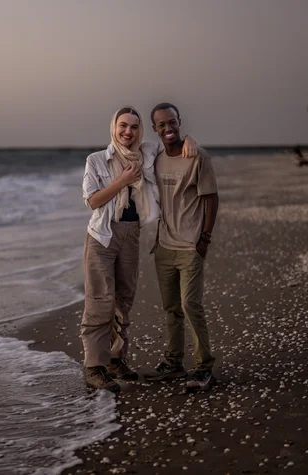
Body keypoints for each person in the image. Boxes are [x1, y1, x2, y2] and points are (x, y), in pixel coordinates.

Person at [80, 106, 196, 392]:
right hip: (102, 236)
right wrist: (122, 181)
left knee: (124, 299)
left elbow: (170, 140)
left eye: (133, 127)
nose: (127, 132)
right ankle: (94, 367)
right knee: (100, 299)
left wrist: (188, 140)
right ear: (114, 127)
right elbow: (92, 201)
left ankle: (115, 361)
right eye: (123, 126)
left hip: (131, 234)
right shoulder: (97, 160)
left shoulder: (146, 152)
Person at [145, 102, 219, 392]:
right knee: (171, 308)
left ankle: (203, 368)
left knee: (191, 305)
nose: (168, 128)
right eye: (161, 124)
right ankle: (174, 362)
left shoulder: (198, 157)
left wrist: (205, 239)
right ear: (155, 129)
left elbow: (211, 199)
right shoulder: (153, 158)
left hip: (190, 246)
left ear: (180, 121)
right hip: (163, 246)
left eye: (172, 122)